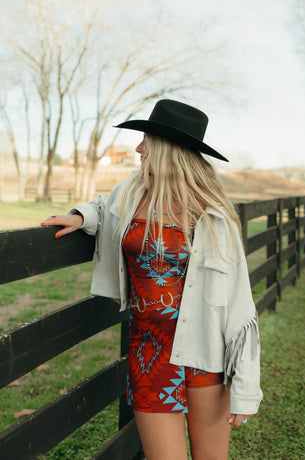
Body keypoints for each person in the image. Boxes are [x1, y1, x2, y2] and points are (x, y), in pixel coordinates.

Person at [41, 99, 263, 460]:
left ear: (167, 149)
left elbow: (240, 303)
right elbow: (103, 207)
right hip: (150, 354)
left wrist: (246, 386)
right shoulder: (129, 193)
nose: (139, 147)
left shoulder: (214, 213)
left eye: (146, 139)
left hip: (206, 355)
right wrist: (81, 217)